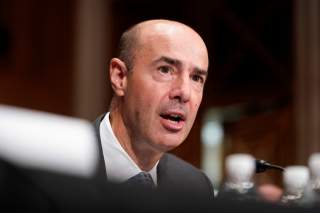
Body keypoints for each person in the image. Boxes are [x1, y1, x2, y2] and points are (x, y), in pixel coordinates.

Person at [93, 19, 214, 198]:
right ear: (120, 77)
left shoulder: (196, 188)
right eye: (165, 70)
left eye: (196, 78)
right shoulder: (55, 169)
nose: (184, 93)